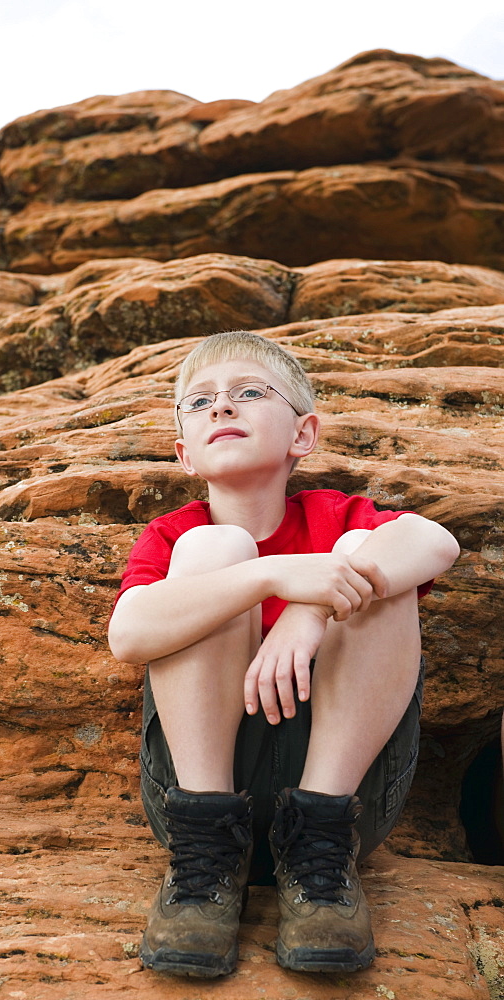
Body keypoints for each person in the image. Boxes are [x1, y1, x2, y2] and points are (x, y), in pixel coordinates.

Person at [108, 331, 460, 979]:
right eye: (199, 402)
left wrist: (313, 607)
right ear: (184, 454)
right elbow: (128, 637)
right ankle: (205, 867)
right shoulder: (174, 534)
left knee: (370, 561)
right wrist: (270, 580)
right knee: (216, 555)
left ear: (303, 434)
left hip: (341, 811)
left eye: (247, 392)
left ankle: (319, 863)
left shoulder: (340, 517)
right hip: (196, 809)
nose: (221, 408)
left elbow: (433, 541)